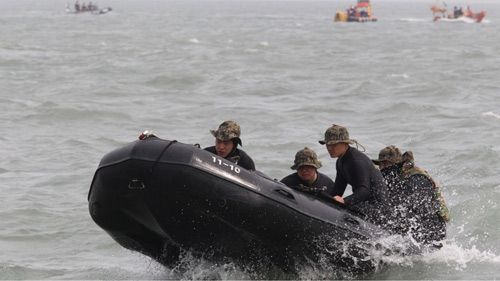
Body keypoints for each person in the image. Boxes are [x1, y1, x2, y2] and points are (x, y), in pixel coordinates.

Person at [372, 145, 450, 244]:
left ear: (396, 164)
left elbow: (420, 209)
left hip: (432, 231)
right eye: (380, 164)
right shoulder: (397, 178)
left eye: (385, 163)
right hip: (416, 228)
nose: (381, 168)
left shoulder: (417, 179)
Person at [319, 124, 390, 224]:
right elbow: (338, 190)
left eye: (334, 145)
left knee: (349, 208)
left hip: (378, 209)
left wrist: (344, 201)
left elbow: (365, 191)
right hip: (364, 204)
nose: (330, 148)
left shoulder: (356, 161)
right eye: (327, 144)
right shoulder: (340, 161)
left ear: (345, 144)